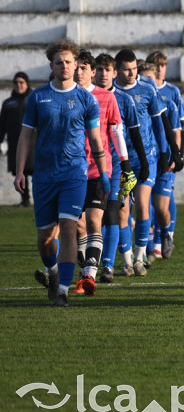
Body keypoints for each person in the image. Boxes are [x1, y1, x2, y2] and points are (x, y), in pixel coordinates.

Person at [15, 39, 109, 306]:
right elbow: (25, 136)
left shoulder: (86, 100)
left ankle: (64, 291)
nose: (65, 66)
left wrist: (103, 174)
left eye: (69, 62)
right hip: (44, 176)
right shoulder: (38, 97)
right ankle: (53, 272)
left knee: (69, 228)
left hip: (74, 174)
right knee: (45, 239)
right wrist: (20, 171)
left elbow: (95, 141)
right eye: (60, 62)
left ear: (76, 63)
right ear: (52, 66)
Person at [71, 50, 132, 295]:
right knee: (78, 226)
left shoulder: (107, 98)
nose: (78, 72)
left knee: (97, 220)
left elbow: (116, 132)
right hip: (72, 171)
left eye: (83, 67)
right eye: (76, 67)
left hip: (99, 169)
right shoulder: (65, 97)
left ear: (92, 72)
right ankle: (84, 267)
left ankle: (90, 275)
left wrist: (125, 163)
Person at [114, 49, 169, 277]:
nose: (131, 73)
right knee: (122, 210)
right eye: (127, 69)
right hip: (120, 159)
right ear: (117, 69)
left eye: (134, 69)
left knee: (143, 206)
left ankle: (139, 257)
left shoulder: (147, 88)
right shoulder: (111, 93)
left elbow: (158, 123)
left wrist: (165, 153)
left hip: (146, 156)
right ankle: (126, 260)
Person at [94, 53, 147, 283]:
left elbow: (134, 134)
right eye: (99, 69)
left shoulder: (124, 100)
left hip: (116, 166)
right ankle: (87, 262)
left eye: (108, 70)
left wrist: (142, 162)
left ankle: (109, 266)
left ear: (114, 73)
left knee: (114, 213)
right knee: (88, 220)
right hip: (88, 166)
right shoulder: (85, 97)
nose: (103, 74)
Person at [146, 50, 184, 258]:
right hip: (147, 156)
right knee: (146, 203)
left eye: (162, 65)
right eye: (154, 65)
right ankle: (150, 244)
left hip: (167, 155)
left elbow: (182, 126)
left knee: (163, 201)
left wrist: (183, 153)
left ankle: (165, 235)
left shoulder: (172, 93)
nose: (158, 69)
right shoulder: (140, 93)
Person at [139, 61, 184, 260]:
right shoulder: (136, 103)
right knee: (143, 206)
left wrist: (175, 156)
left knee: (161, 208)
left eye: (151, 78)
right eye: (144, 79)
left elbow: (176, 133)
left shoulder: (169, 104)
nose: (148, 82)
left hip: (164, 161)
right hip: (145, 161)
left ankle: (166, 234)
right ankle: (147, 249)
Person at [1, 72, 32, 206]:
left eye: (21, 82)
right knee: (20, 172)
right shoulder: (8, 103)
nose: (18, 85)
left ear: (27, 84)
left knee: (36, 171)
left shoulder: (34, 99)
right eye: (16, 83)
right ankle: (24, 200)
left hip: (34, 143)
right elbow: (2, 125)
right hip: (15, 143)